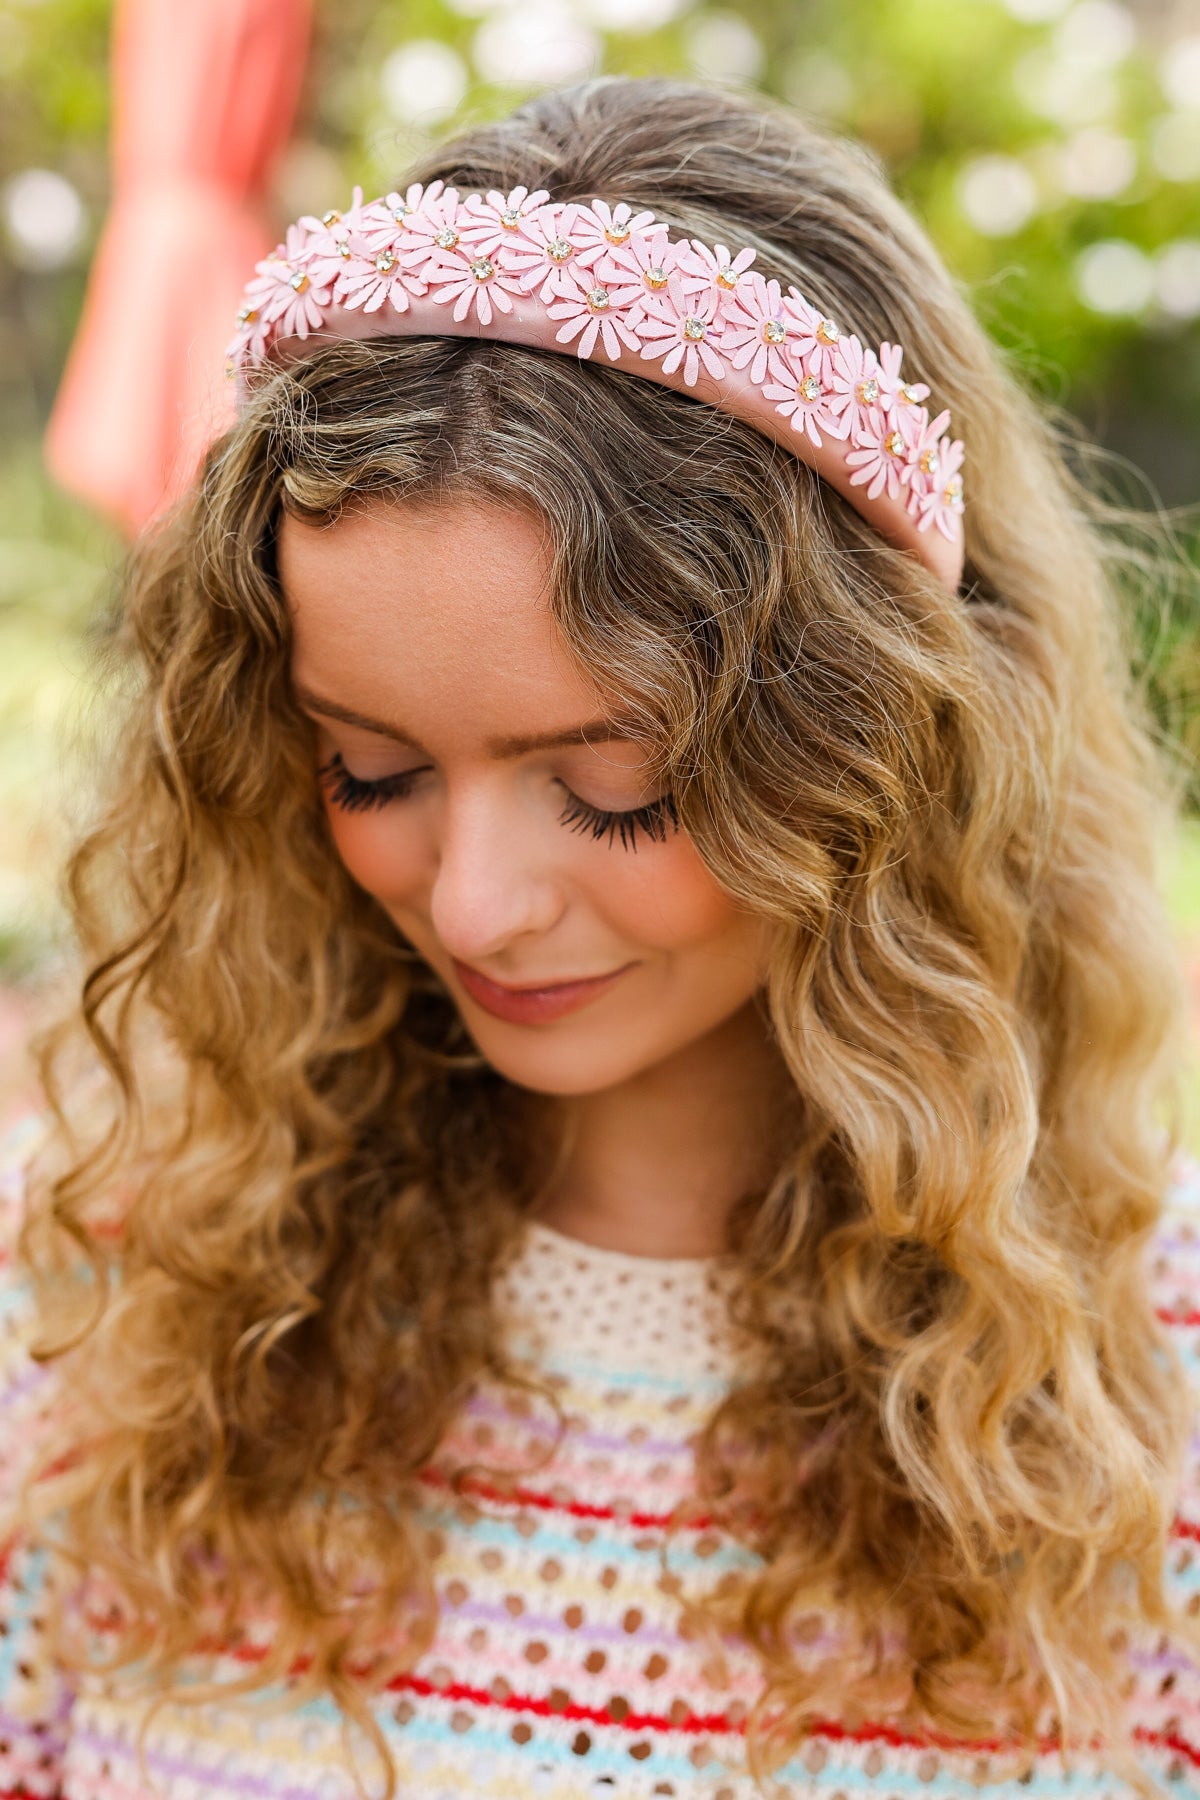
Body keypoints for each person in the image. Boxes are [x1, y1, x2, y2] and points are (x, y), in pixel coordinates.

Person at [3, 71, 1200, 1800]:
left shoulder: (1147, 1412)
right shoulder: (97, 1310)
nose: (474, 902)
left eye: (618, 791)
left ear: (881, 748)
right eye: (374, 768)